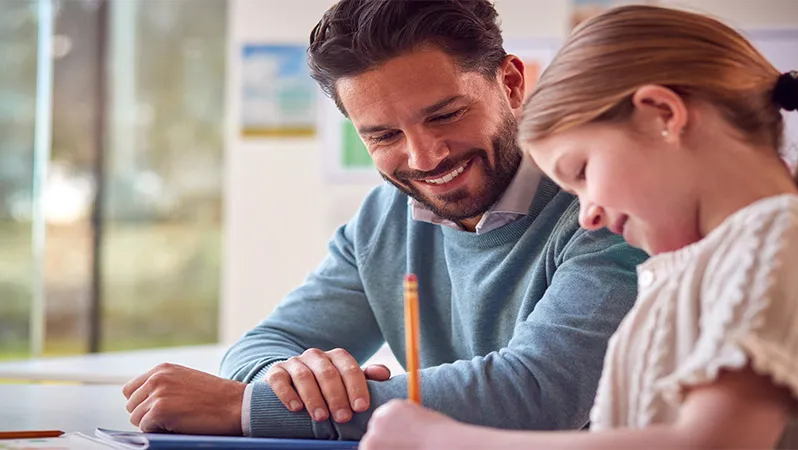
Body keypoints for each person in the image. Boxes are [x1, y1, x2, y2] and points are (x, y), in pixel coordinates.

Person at [121, 0, 646, 439]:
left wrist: (241, 409)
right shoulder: (383, 218)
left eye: (445, 115)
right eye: (383, 136)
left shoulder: (607, 206)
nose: (425, 157)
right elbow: (267, 341)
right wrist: (289, 382)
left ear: (510, 84)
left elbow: (539, 392)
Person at [359, 4, 798, 449]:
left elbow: (713, 443)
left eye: (583, 171)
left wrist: (443, 439)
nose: (587, 215)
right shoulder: (707, 266)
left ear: (661, 114)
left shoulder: (773, 239)